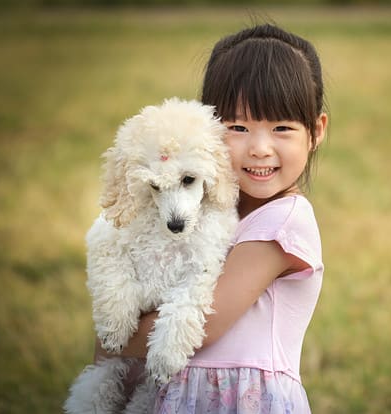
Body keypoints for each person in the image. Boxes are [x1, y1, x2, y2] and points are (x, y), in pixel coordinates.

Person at [95, 23, 328, 413]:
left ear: (316, 131)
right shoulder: (197, 212)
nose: (259, 148)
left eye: (282, 128)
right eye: (238, 127)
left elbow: (207, 323)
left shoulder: (284, 222)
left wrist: (111, 335)